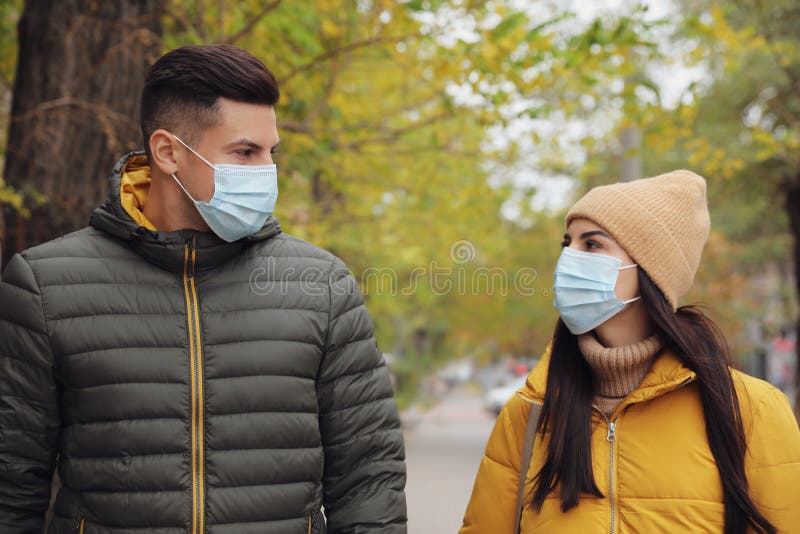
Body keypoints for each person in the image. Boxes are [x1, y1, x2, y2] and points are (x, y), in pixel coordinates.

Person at [0, 44, 407, 533]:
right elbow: (12, 484)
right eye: (244, 152)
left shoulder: (320, 285)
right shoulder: (45, 285)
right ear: (169, 152)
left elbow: (368, 481)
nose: (265, 172)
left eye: (269, 153)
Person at [460, 171, 800, 533]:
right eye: (567, 243)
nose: (568, 260)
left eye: (591, 245)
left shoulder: (749, 410)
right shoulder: (528, 416)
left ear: (651, 269)